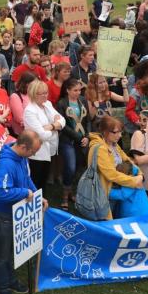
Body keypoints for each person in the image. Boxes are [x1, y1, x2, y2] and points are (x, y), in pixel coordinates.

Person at [0, 132, 41, 294]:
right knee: (2, 253)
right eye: (33, 151)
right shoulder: (6, 164)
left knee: (11, 249)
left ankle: (10, 279)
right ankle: (1, 287)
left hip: (15, 213)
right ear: (23, 147)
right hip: (3, 215)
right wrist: (24, 193)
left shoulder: (22, 158)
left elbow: (27, 179)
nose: (33, 155)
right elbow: (0, 193)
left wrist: (36, 195)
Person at [88, 116, 148, 219]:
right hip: (105, 192)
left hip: (117, 186)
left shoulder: (113, 144)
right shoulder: (100, 149)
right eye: (115, 132)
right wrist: (134, 181)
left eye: (120, 132)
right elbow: (111, 175)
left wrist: (140, 174)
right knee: (106, 223)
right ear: (105, 131)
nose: (119, 135)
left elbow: (127, 159)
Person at [23, 79, 65, 183]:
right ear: (33, 94)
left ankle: (43, 199)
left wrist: (51, 126)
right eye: (40, 94)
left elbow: (62, 120)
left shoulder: (48, 104)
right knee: (37, 182)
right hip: (37, 153)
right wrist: (56, 128)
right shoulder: (30, 111)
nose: (44, 96)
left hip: (50, 150)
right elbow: (42, 135)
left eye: (46, 93)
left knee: (44, 181)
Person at [57, 79, 90, 209]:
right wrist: (78, 137)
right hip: (68, 140)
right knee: (70, 167)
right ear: (67, 90)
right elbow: (63, 125)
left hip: (82, 140)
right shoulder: (62, 103)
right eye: (75, 90)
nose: (78, 93)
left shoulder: (83, 101)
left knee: (79, 167)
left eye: (79, 90)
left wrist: (87, 136)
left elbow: (87, 121)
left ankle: (72, 192)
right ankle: (65, 196)